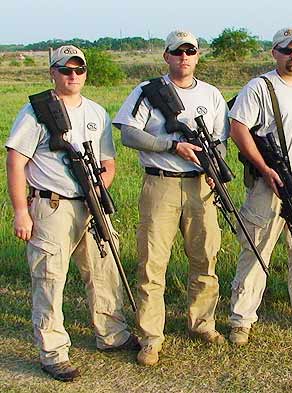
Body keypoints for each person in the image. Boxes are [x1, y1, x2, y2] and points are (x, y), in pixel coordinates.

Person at [5, 45, 139, 382]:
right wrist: (21, 211)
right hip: (51, 206)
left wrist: (99, 187)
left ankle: (112, 334)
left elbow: (108, 163)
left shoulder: (96, 112)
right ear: (53, 73)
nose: (73, 76)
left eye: (79, 70)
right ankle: (52, 351)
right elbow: (16, 161)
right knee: (50, 278)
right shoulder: (37, 112)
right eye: (66, 70)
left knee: (104, 268)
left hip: (91, 203)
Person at [113, 30, 230, 365]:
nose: (183, 58)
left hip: (200, 186)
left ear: (197, 56)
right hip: (160, 184)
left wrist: (213, 164)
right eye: (177, 52)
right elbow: (129, 134)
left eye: (190, 51)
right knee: (152, 263)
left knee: (206, 257)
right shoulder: (148, 92)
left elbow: (220, 138)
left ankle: (202, 323)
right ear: (166, 56)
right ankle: (150, 337)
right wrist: (172, 146)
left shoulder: (210, 94)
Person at [227, 27, 292, 346]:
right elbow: (238, 128)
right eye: (286, 50)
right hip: (266, 181)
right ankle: (241, 318)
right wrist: (263, 168)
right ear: (274, 53)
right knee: (256, 246)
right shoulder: (258, 87)